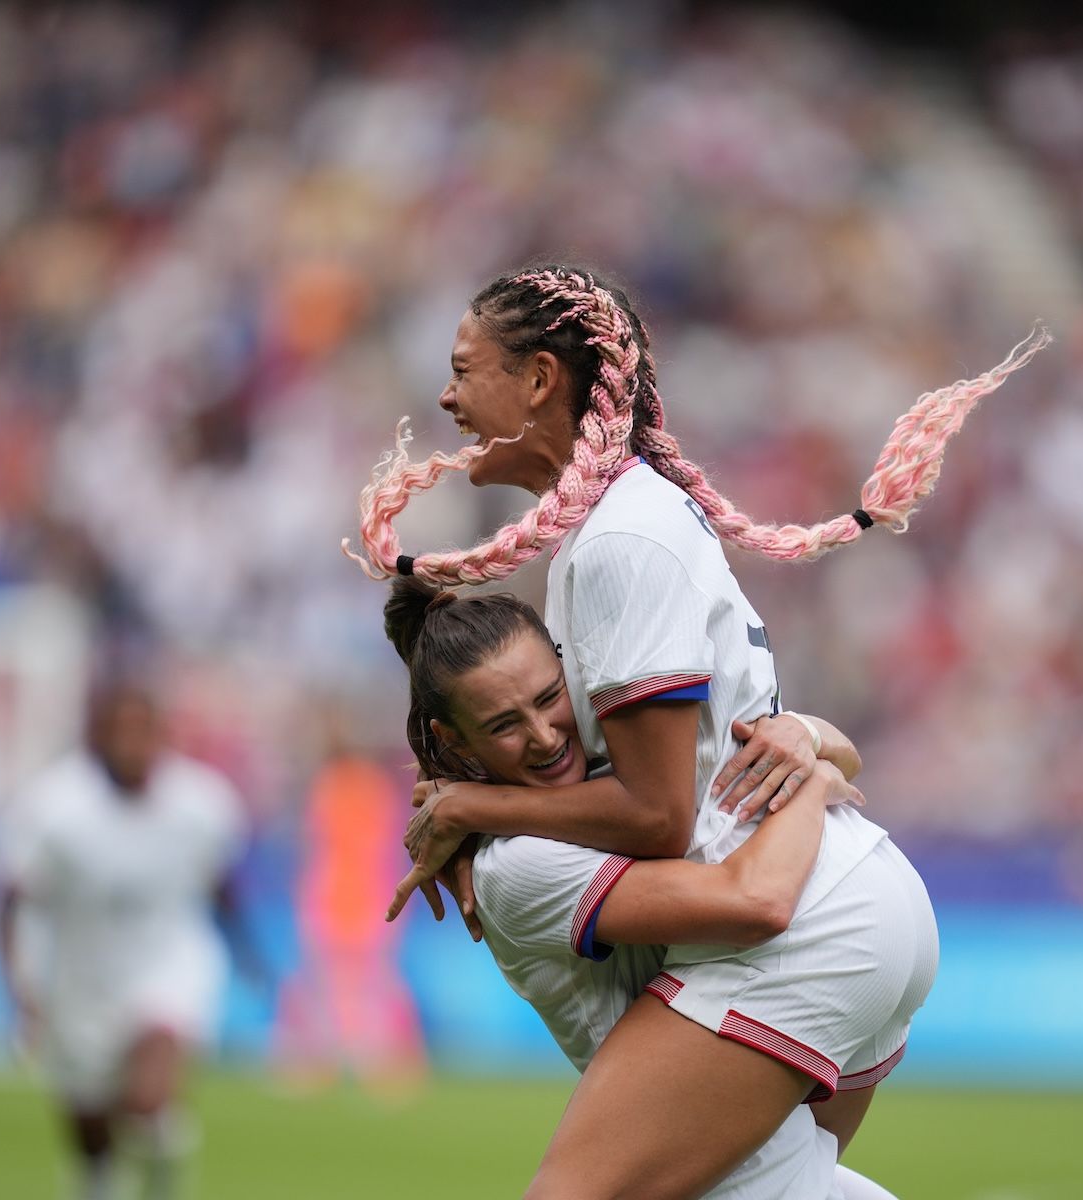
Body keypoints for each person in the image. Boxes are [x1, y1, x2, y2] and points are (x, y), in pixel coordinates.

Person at [347, 265, 1031, 1197]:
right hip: (836, 898)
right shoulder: (620, 526)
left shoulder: (622, 540)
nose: (445, 394)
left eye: (465, 369)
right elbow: (724, 749)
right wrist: (821, 743)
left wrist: (470, 800)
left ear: (542, 379)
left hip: (795, 922)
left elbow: (661, 813)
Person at [385, 576, 898, 1199]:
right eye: (503, 725)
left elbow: (836, 752)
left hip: (722, 1119)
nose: (545, 736)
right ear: (453, 740)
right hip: (693, 1139)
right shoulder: (513, 868)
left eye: (550, 697)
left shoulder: (613, 773)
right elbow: (755, 900)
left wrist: (805, 736)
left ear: (568, 666)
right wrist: (812, 784)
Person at [0, 681, 250, 1200]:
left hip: (170, 960)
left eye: (144, 731)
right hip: (80, 974)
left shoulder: (202, 803)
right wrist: (20, 987)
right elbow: (9, 900)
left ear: (163, 736)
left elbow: (220, 884)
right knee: (91, 1126)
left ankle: (157, 1148)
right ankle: (104, 1180)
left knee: (147, 1097)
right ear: (96, 736)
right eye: (120, 731)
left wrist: (247, 951)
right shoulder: (52, 810)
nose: (133, 745)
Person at [277, 707, 427, 1096]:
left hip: (358, 898)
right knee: (339, 983)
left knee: (361, 983)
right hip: (340, 898)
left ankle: (382, 1062)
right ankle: (321, 1060)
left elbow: (350, 850)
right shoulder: (344, 786)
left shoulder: (351, 787)